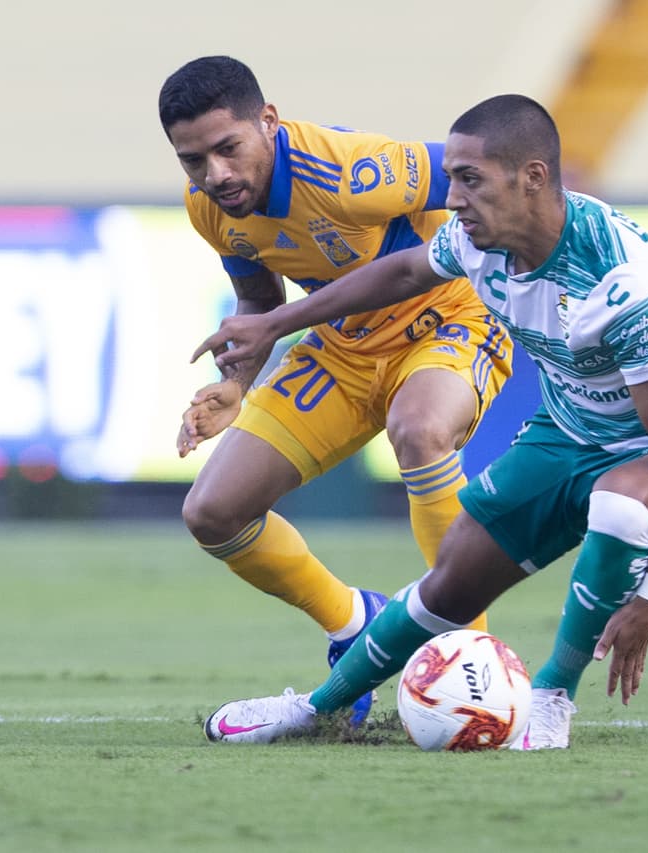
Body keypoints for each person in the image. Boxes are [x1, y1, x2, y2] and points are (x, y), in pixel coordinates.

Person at [191, 94, 648, 749]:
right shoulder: (481, 239)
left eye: (470, 180)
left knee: (620, 506)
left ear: (532, 177)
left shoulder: (623, 283)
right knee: (447, 584)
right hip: (564, 436)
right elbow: (398, 271)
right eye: (451, 178)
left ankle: (552, 696)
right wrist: (275, 324)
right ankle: (320, 708)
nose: (451, 198)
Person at [157, 56, 513, 724]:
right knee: (211, 511)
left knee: (421, 428)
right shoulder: (209, 206)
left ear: (268, 120)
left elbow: (480, 168)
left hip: (450, 319)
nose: (216, 175)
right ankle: (355, 624)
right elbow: (257, 294)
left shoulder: (351, 172)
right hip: (345, 346)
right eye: (193, 160)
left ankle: (472, 659)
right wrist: (236, 381)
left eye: (228, 148)